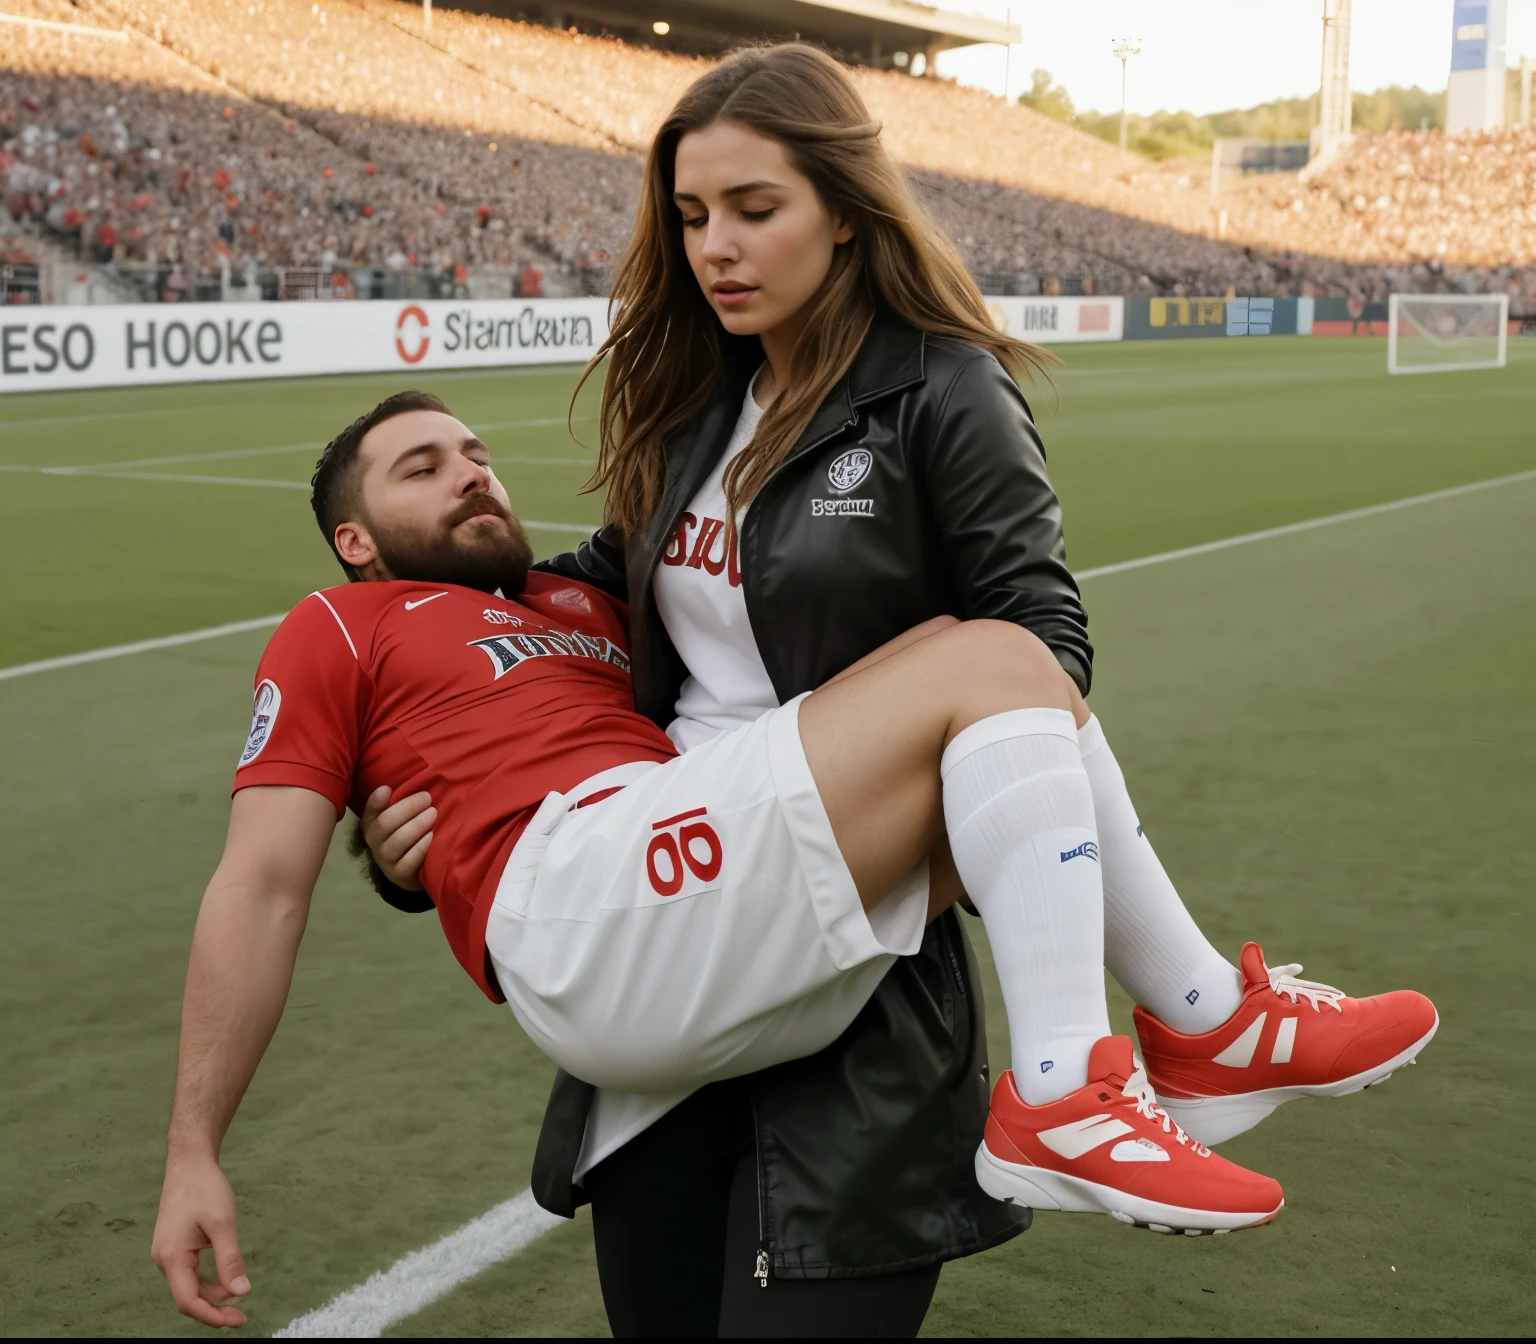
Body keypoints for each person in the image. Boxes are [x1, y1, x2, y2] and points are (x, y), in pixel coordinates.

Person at [362, 45, 1438, 1336]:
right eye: (693, 215)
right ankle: (1200, 1014)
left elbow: (1043, 649)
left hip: (856, 971)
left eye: (755, 209)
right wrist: (411, 820)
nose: (716, 246)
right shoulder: (695, 403)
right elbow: (585, 614)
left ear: (847, 209)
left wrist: (898, 805)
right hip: (684, 886)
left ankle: (1142, 1042)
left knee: (1005, 672)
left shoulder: (942, 384)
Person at [154, 388, 1421, 1329]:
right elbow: (260, 887)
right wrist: (194, 1149)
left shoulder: (591, 601)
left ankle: (1202, 1021)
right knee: (988, 663)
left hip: (696, 886)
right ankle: (1116, 1060)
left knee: (1014, 728)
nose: (471, 476)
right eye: (421, 469)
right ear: (357, 540)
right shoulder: (340, 626)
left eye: (476, 453)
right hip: (583, 901)